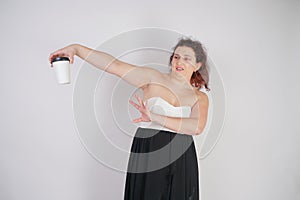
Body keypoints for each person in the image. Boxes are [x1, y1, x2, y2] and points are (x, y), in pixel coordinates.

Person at [49, 37, 210, 200]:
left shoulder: (200, 97)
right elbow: (114, 66)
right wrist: (76, 49)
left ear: (197, 65)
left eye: (186, 58)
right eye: (176, 56)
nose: (179, 62)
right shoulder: (152, 77)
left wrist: (154, 116)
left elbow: (196, 127)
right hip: (150, 147)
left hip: (182, 154)